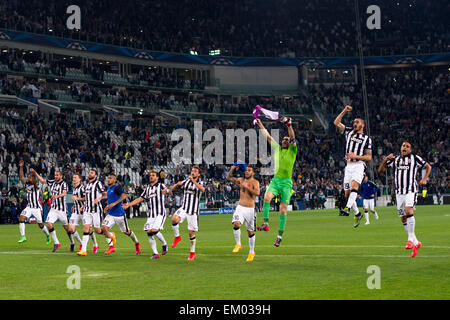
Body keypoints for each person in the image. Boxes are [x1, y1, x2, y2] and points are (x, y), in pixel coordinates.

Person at [378, 141, 432, 258]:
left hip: (410, 190)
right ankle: (416, 243)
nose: (405, 148)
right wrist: (385, 160)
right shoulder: (395, 160)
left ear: (410, 150)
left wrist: (424, 179)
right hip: (399, 193)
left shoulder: (415, 158)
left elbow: (428, 166)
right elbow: (381, 171)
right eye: (403, 146)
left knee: (408, 211)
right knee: (403, 218)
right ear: (401, 148)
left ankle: (409, 239)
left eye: (407, 147)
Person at [255, 117, 297, 247]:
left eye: (286, 139)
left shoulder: (292, 150)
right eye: (283, 139)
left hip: (286, 183)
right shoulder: (277, 148)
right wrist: (259, 122)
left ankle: (279, 237)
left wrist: (289, 124)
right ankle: (266, 224)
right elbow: (267, 135)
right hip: (276, 180)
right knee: (267, 197)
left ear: (290, 143)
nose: (284, 140)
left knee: (283, 211)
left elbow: (292, 136)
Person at [333, 105, 372, 228]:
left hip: (359, 165)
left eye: (357, 122)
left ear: (362, 125)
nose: (355, 123)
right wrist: (344, 110)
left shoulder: (367, 139)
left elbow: (369, 157)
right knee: (347, 194)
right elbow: (336, 122)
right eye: (354, 121)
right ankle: (357, 213)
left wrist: (356, 155)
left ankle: (347, 208)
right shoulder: (349, 132)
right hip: (348, 166)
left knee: (355, 186)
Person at [123, 171, 169, 259]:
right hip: (151, 215)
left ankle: (164, 244)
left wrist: (166, 191)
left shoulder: (161, 185)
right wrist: (129, 204)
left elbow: (168, 190)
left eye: (153, 175)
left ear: (157, 178)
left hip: (160, 213)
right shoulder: (147, 189)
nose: (151, 177)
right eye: (150, 175)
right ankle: (155, 253)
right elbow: (140, 199)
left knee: (154, 230)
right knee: (149, 232)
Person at [170, 166, 205, 261]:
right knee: (174, 219)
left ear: (198, 174)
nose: (193, 172)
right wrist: (174, 186)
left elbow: (202, 189)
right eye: (192, 171)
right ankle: (177, 237)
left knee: (191, 233)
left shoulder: (200, 182)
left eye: (195, 171)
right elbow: (176, 186)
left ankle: (192, 253)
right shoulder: (186, 181)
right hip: (184, 208)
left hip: (193, 211)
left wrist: (193, 181)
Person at [31, 168, 70, 252]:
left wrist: (57, 196)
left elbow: (64, 193)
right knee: (49, 224)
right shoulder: (52, 182)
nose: (55, 176)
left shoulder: (64, 184)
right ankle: (56, 243)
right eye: (55, 175)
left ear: (61, 176)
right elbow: (42, 180)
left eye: (57, 175)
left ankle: (72, 242)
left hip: (62, 210)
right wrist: (35, 172)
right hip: (53, 209)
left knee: (68, 229)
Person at [226, 165, 260, 262]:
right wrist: (232, 169)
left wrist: (247, 187)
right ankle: (238, 244)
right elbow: (228, 178)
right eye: (246, 170)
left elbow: (257, 193)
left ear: (253, 173)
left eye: (249, 171)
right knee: (236, 223)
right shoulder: (241, 180)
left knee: (250, 232)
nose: (246, 172)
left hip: (250, 209)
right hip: (240, 207)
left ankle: (251, 252)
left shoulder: (255, 182)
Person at [102, 174, 141, 255]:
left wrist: (114, 203)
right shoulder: (109, 188)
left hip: (120, 214)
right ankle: (111, 247)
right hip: (111, 214)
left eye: (110, 178)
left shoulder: (117, 187)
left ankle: (137, 243)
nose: (108, 179)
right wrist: (107, 207)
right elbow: (110, 200)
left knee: (127, 232)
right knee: (104, 228)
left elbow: (124, 196)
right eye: (108, 178)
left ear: (115, 180)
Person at [17, 160, 50, 244]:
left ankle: (48, 235)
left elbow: (34, 182)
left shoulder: (36, 185)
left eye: (30, 177)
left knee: (40, 225)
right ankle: (23, 236)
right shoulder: (26, 184)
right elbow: (21, 176)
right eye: (28, 177)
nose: (28, 178)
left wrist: (34, 173)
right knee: (21, 219)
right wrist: (21, 167)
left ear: (33, 178)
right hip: (29, 206)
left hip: (37, 208)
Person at [77, 169, 106, 256]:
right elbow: (87, 197)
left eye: (92, 173)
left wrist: (99, 199)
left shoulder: (98, 183)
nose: (90, 173)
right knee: (86, 228)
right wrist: (83, 205)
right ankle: (83, 250)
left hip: (96, 210)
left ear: (96, 175)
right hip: (87, 210)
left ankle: (110, 235)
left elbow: (105, 194)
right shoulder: (87, 185)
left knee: (97, 230)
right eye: (90, 172)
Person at [67, 173, 88, 252]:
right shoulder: (74, 188)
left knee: (90, 230)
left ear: (80, 179)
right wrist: (74, 205)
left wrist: (77, 199)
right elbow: (76, 199)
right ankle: (81, 243)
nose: (74, 179)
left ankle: (95, 244)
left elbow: (86, 199)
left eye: (75, 177)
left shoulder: (82, 188)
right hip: (75, 211)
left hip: (84, 211)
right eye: (73, 177)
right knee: (70, 229)